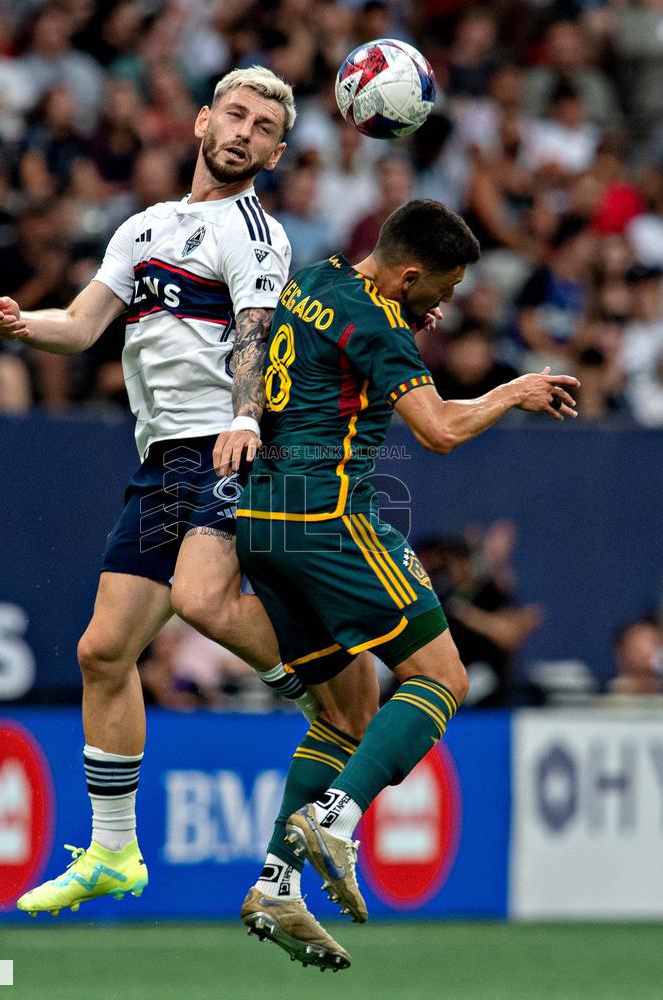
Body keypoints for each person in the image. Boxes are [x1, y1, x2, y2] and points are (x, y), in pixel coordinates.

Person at [0, 66, 328, 917]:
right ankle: (113, 853)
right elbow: (85, 323)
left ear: (276, 154)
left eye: (263, 128)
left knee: (203, 603)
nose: (244, 132)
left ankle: (336, 699)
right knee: (103, 653)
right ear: (203, 121)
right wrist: (29, 326)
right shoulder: (141, 229)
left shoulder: (255, 233)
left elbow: (252, 334)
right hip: (159, 458)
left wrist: (245, 418)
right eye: (234, 115)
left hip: (222, 447)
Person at [235, 200, 579, 970]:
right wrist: (513, 391)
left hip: (260, 524)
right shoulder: (383, 323)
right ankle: (338, 815)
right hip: (328, 520)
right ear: (409, 274)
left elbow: (337, 355)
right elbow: (441, 431)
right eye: (442, 289)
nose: (444, 306)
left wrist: (392, 332)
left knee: (344, 711)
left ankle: (274, 880)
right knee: (443, 675)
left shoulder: (316, 279)